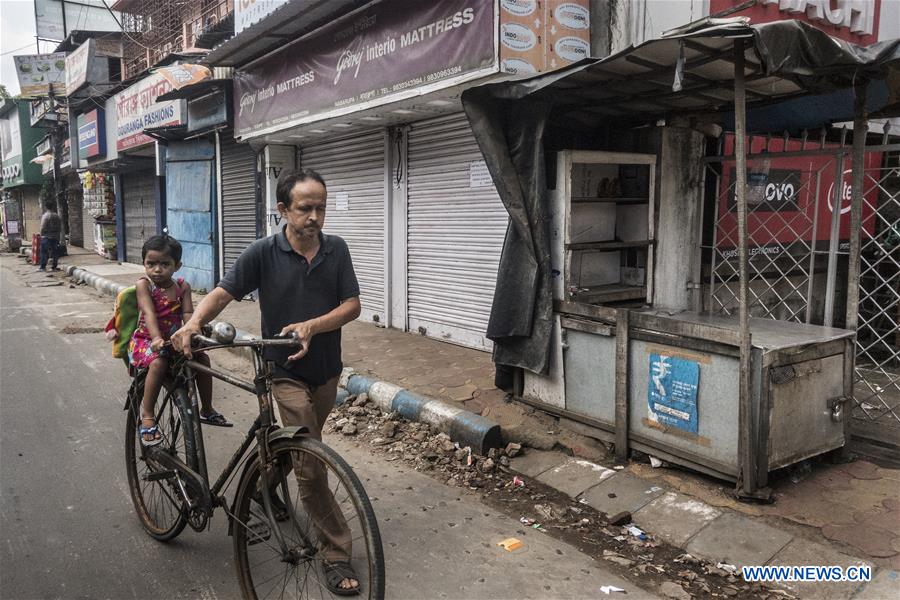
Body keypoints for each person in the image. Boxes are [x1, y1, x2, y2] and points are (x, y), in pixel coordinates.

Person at [171, 169, 362, 595]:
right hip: (284, 369)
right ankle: (335, 553)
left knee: (297, 445)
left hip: (327, 371)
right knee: (311, 462)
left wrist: (314, 325)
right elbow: (224, 291)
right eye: (305, 208)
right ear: (283, 210)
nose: (315, 217)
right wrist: (194, 323)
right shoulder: (263, 252)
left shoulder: (337, 250)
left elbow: (352, 305)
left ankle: (262, 487)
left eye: (321, 208)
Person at [130, 235, 230, 446]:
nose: (157, 269)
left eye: (164, 264)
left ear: (177, 265)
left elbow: (188, 314)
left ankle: (207, 408)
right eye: (151, 263)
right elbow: (148, 314)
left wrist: (193, 333)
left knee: (202, 360)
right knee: (159, 363)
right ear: (144, 264)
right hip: (147, 341)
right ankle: (147, 414)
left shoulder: (183, 287)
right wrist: (156, 338)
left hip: (175, 341)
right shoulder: (144, 285)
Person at [39, 201, 62, 271]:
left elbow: (43, 227)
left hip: (46, 237)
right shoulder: (57, 216)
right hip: (55, 237)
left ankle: (43, 267)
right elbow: (60, 227)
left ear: (46, 207)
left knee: (44, 252)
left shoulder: (45, 216)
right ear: (53, 207)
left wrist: (41, 234)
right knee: (55, 252)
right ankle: (54, 267)